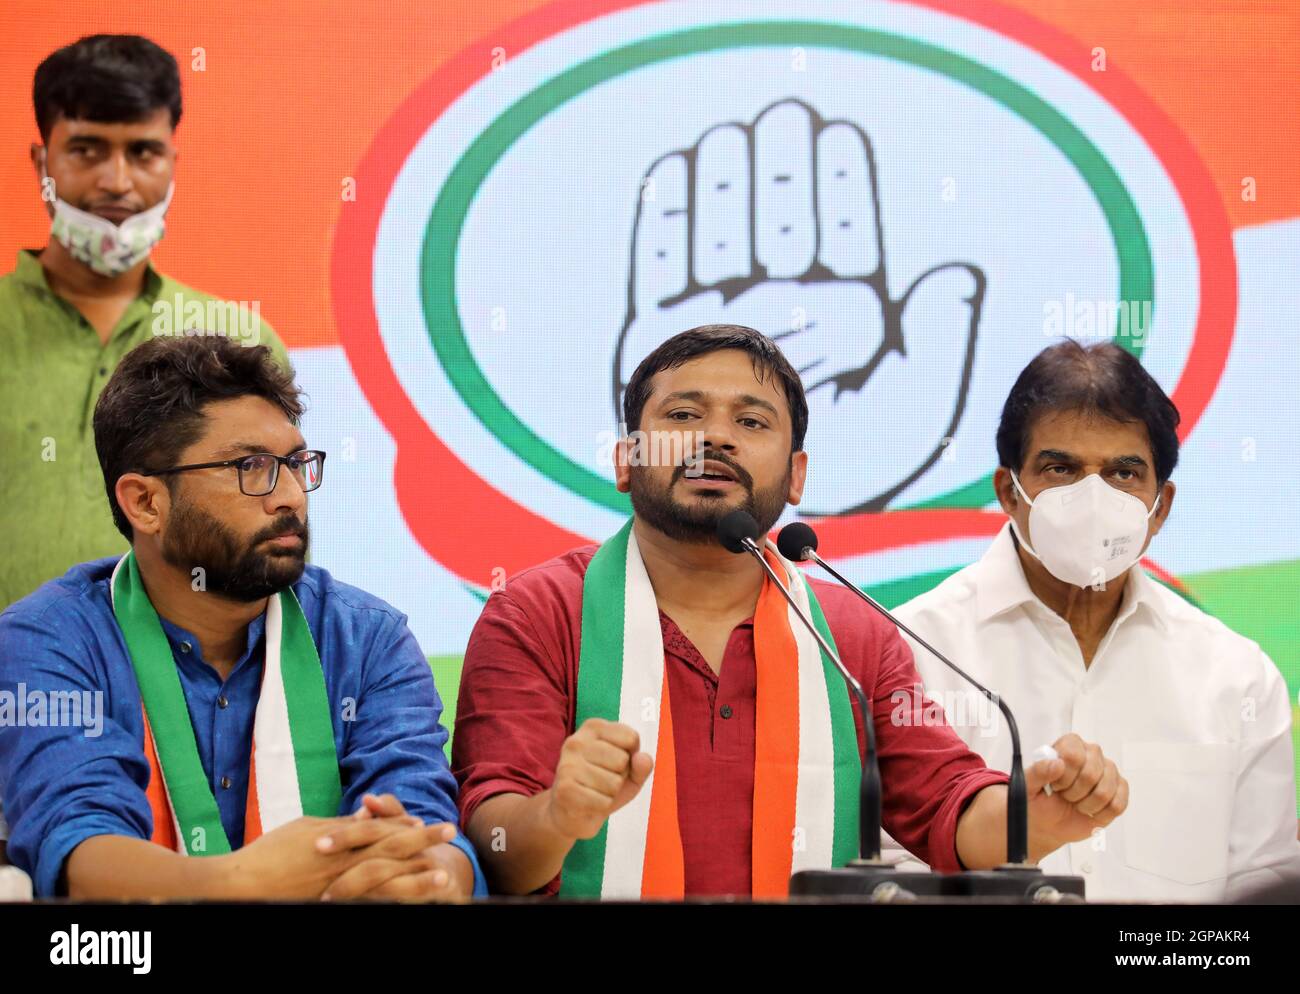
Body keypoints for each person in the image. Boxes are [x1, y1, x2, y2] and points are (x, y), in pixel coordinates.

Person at [452, 324, 1128, 898]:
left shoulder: (850, 634)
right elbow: (498, 848)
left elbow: (947, 810)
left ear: (797, 475)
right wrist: (560, 813)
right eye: (683, 416)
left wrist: (1034, 817)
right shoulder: (536, 613)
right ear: (627, 460)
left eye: (750, 422)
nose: (715, 438)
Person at [0, 335, 483, 901]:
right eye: (252, 466)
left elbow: (429, 826)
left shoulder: (368, 638)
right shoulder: (48, 639)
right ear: (145, 503)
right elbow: (79, 848)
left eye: (297, 464)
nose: (291, 497)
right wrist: (244, 883)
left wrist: (427, 877)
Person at [891, 339, 1300, 901]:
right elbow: (885, 878)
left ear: (1162, 506)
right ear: (1009, 492)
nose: (1093, 497)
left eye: (1124, 473)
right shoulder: (910, 650)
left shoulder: (1237, 677)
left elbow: (1265, 889)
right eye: (1061, 469)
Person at [0, 34, 288, 612]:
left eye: (142, 152)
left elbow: (271, 530)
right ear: (42, 163)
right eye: (86, 149)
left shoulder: (236, 342)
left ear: (172, 162)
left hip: (194, 691)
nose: (116, 181)